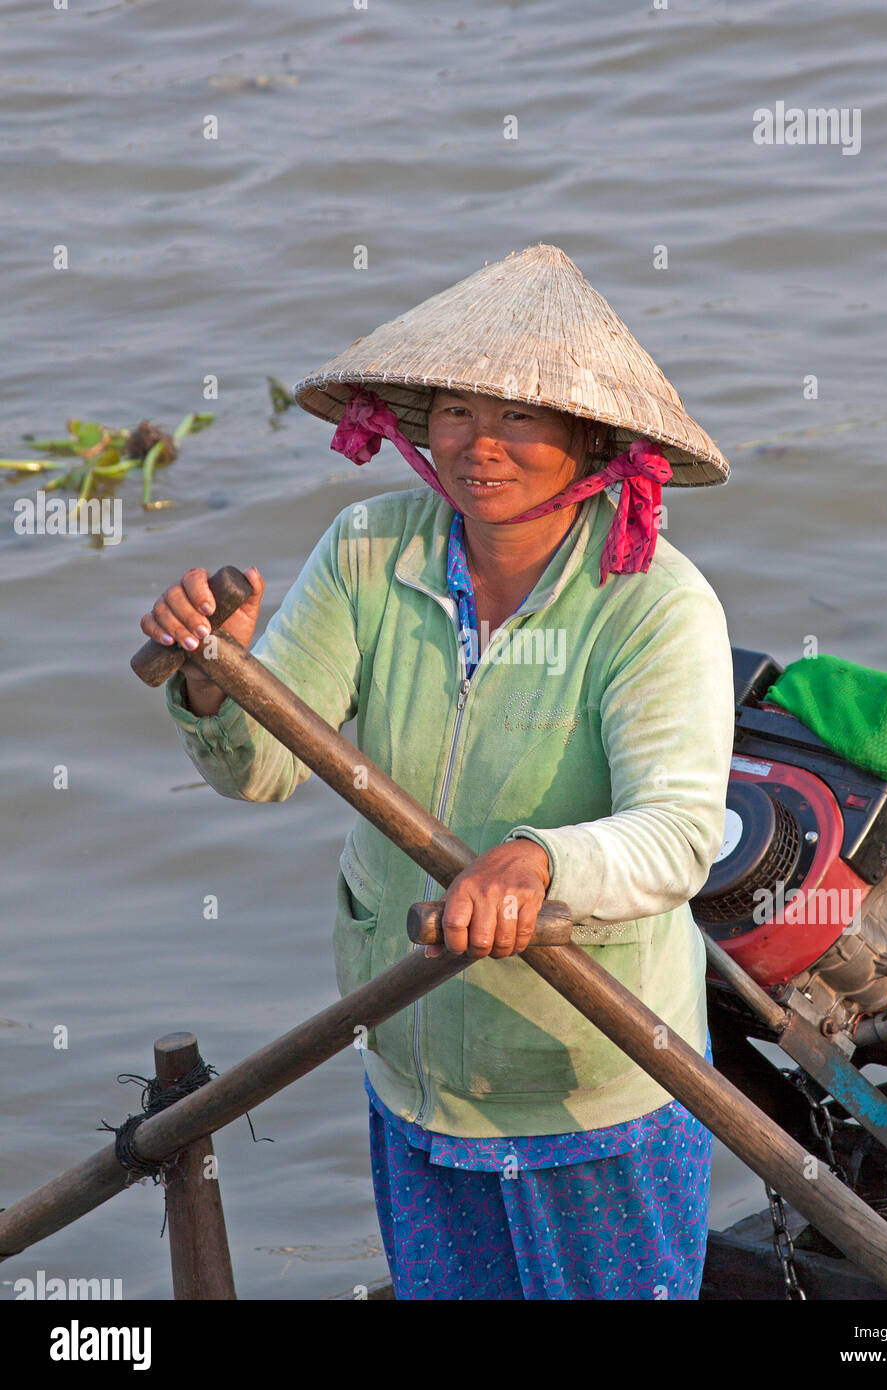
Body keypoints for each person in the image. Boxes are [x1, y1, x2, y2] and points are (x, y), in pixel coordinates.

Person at [141, 243, 736, 1300]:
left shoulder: (654, 605)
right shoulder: (371, 552)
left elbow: (678, 831)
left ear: (592, 439)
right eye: (457, 412)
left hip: (590, 1080)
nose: (480, 447)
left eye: (518, 418)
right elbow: (265, 770)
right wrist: (213, 683)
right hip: (411, 1064)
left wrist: (535, 862)